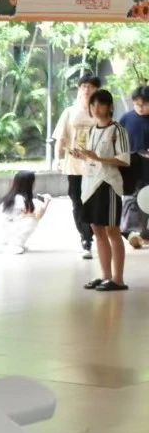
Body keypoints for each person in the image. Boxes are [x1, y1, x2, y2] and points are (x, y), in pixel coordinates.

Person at [75, 88, 131, 291]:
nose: (96, 108)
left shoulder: (118, 130)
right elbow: (93, 158)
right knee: (97, 230)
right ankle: (106, 276)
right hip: (90, 185)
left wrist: (98, 158)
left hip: (108, 185)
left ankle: (118, 279)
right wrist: (84, 156)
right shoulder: (91, 130)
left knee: (112, 230)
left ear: (110, 107)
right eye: (93, 104)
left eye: (100, 104)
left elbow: (124, 160)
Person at [53, 74, 101, 259]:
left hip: (95, 165)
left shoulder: (100, 111)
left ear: (97, 89)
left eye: (90, 86)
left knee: (93, 201)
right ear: (79, 89)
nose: (86, 90)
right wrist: (57, 158)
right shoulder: (69, 111)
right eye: (83, 86)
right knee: (76, 200)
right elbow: (60, 137)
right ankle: (85, 238)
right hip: (74, 165)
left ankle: (93, 234)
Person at [117, 85, 149, 249]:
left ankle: (144, 233)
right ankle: (130, 232)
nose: (140, 107)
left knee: (146, 199)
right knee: (130, 199)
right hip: (131, 166)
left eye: (144, 104)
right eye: (137, 104)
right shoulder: (126, 119)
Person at [0, 171, 51, 254]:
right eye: (33, 182)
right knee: (31, 220)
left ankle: (14, 243)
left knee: (30, 218)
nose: (34, 184)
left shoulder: (15, 196)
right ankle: (14, 244)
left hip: (8, 228)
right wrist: (46, 202)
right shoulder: (20, 199)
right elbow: (37, 216)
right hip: (8, 230)